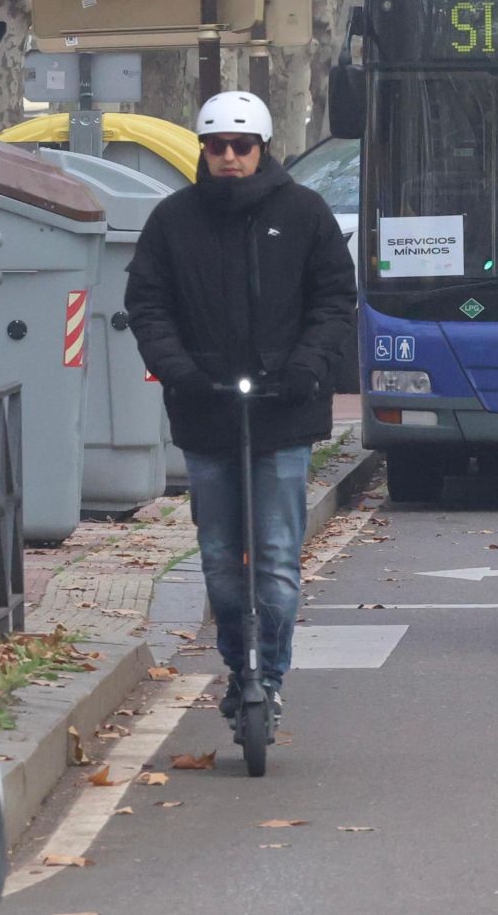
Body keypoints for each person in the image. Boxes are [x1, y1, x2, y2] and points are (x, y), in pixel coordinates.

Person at [124, 93, 355, 739]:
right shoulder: (172, 222)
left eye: (241, 146)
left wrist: (308, 367)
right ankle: (238, 666)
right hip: (206, 414)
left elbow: (336, 297)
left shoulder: (304, 214)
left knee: (278, 560)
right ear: (203, 150)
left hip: (284, 414)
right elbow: (148, 305)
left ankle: (269, 677)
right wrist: (183, 372)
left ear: (262, 149)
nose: (229, 157)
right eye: (217, 146)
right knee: (223, 562)